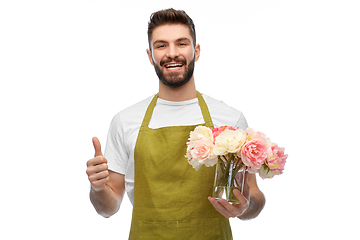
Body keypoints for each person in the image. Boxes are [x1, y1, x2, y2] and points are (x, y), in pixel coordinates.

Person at [86, 8, 265, 239]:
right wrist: (98, 188)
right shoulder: (125, 121)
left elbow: (255, 196)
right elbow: (108, 208)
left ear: (196, 51)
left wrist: (245, 205)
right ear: (150, 56)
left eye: (182, 44)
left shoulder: (230, 120)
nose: (172, 53)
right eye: (161, 46)